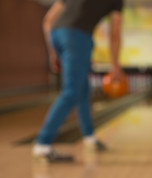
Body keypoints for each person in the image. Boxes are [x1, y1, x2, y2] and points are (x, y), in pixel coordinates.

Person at [33, 0, 124, 162]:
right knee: (71, 91)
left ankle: (90, 138)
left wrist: (53, 53)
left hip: (56, 34)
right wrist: (115, 65)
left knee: (82, 89)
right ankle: (42, 145)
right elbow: (114, 32)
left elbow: (48, 20)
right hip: (78, 36)